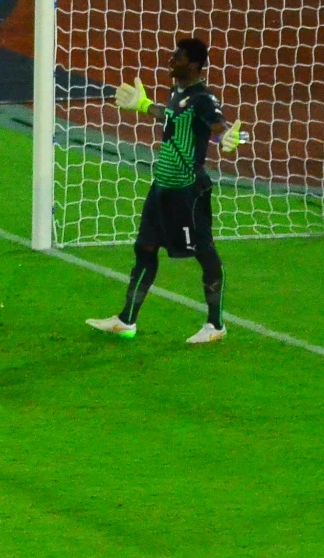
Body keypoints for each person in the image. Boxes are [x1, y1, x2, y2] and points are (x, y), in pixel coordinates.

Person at [86, 37, 244, 346]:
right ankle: (126, 320)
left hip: (188, 191)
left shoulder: (203, 98)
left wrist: (227, 139)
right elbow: (171, 117)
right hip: (162, 187)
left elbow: (218, 124)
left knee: (204, 253)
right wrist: (143, 106)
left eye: (178, 57)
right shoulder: (178, 92)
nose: (171, 60)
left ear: (194, 65)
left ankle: (215, 324)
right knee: (144, 249)